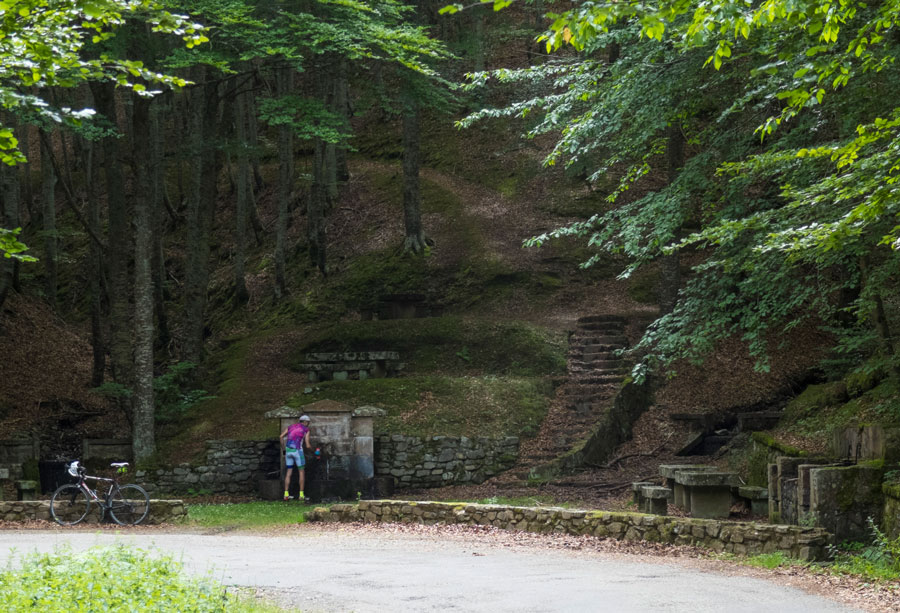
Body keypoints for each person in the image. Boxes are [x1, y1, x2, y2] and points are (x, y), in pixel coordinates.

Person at [280, 415, 311, 501]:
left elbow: (281, 437)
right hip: (298, 451)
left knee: (289, 472)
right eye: (308, 422)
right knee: (301, 472)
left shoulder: (290, 427)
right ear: (304, 422)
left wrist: (284, 450)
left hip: (288, 451)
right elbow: (307, 445)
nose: (308, 424)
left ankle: (286, 494)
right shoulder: (306, 429)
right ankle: (301, 495)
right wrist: (314, 451)